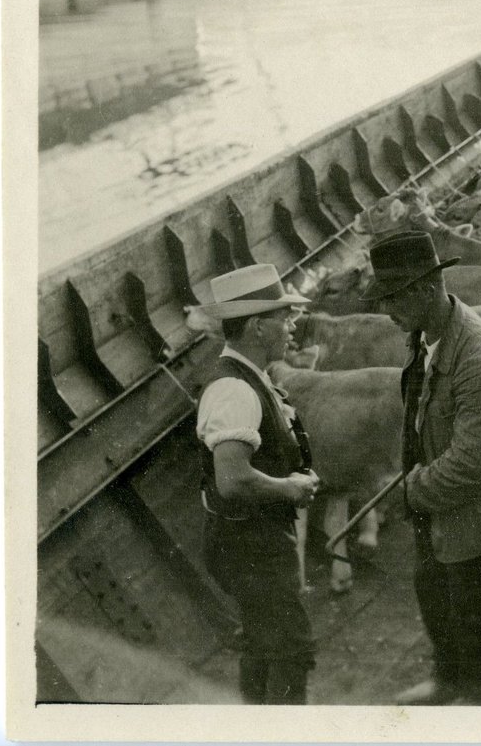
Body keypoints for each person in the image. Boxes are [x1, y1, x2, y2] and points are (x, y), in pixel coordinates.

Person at [361, 231, 481, 706]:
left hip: (471, 506)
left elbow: (472, 466)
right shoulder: (427, 335)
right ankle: (448, 679)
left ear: (422, 290)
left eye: (391, 301)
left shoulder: (478, 359)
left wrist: (409, 491)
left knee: (472, 602)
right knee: (433, 590)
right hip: (434, 499)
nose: (386, 314)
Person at [193, 263, 322, 704]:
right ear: (255, 327)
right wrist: (289, 488)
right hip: (251, 546)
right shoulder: (234, 390)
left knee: (264, 642)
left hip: (252, 541)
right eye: (283, 317)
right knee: (290, 648)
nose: (292, 324)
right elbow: (232, 480)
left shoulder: (250, 377)